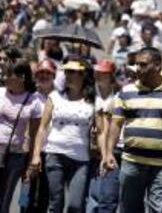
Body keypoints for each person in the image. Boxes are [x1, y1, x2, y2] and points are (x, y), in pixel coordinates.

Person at [104, 47, 162, 213]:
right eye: (137, 64)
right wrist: (109, 152)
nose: (138, 68)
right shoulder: (126, 92)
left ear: (158, 66)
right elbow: (116, 124)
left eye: (143, 65)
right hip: (132, 163)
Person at [30, 59, 96, 213]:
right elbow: (43, 127)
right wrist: (36, 155)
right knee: (56, 203)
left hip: (81, 159)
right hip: (55, 155)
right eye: (66, 72)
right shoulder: (55, 96)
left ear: (83, 75)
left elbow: (101, 129)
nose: (68, 75)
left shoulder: (92, 100)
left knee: (76, 205)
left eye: (72, 72)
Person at [0, 60, 40, 213]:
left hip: (15, 155)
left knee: (6, 195)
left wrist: (31, 162)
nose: (5, 78)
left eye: (9, 75)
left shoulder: (33, 101)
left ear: (22, 77)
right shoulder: (0, 93)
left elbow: (35, 134)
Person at [86, 60, 118, 213]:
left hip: (108, 149)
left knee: (101, 193)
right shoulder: (89, 94)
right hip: (88, 147)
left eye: (103, 73)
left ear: (111, 76)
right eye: (97, 72)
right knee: (86, 192)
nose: (98, 75)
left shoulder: (118, 96)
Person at [27, 59, 56, 213]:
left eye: (48, 73)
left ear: (54, 76)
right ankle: (23, 208)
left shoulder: (59, 98)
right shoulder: (30, 98)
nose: (44, 76)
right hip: (30, 151)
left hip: (51, 151)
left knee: (45, 191)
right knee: (27, 187)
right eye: (41, 73)